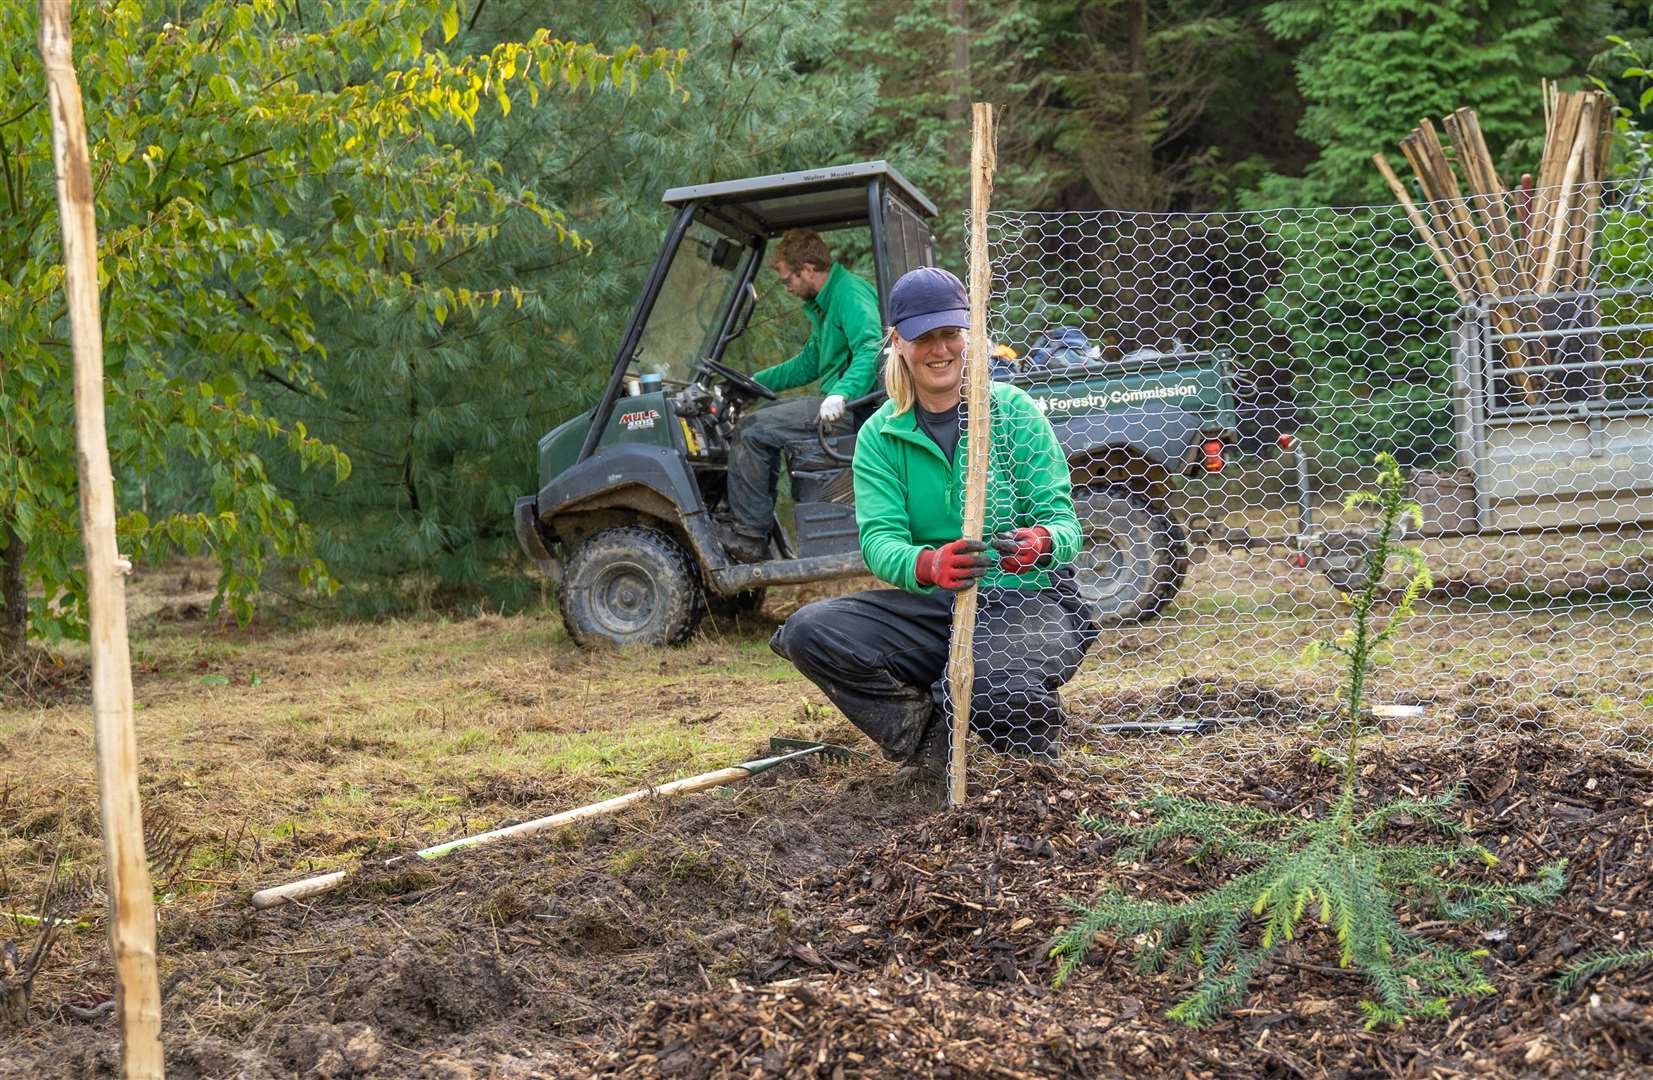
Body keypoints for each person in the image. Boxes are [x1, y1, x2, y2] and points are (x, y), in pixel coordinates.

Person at [769, 266, 1099, 777]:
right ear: (898, 343)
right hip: (935, 606)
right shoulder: (882, 434)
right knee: (809, 631)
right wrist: (928, 564)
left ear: (968, 336)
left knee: (983, 687)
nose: (939, 349)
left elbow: (1065, 525)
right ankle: (925, 738)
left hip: (1029, 601)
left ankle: (1032, 758)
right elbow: (879, 541)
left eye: (950, 333)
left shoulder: (1013, 413)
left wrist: (1040, 542)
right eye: (924, 336)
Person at [723, 230, 883, 562]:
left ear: (808, 269)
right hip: (841, 404)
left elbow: (871, 347)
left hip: (854, 410)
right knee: (762, 425)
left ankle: (751, 539)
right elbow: (809, 363)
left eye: (787, 280)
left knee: (752, 430)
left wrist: (841, 393)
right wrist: (753, 381)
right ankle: (758, 532)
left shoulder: (849, 295)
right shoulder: (826, 303)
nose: (788, 288)